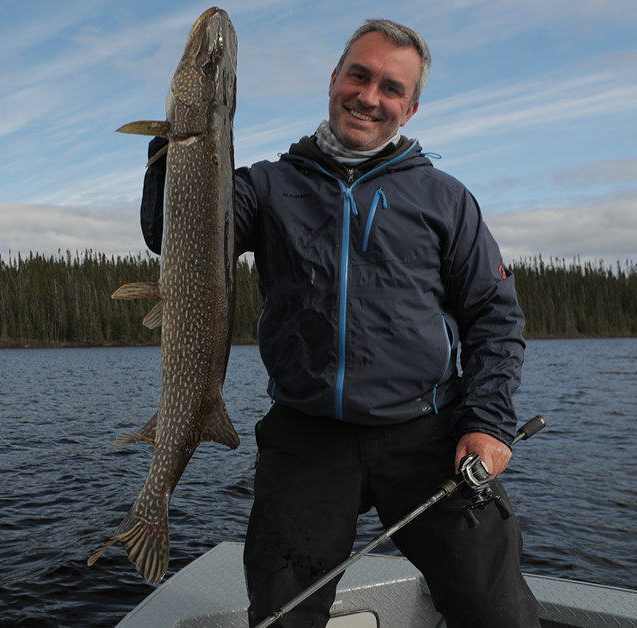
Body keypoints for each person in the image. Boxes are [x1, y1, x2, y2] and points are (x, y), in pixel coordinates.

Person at [138, 19, 540, 628]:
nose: (369, 96)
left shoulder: (445, 199)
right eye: (359, 74)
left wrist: (488, 423)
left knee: (496, 612)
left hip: (427, 436)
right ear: (334, 79)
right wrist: (173, 154)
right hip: (307, 440)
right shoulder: (267, 186)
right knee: (284, 616)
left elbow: (494, 317)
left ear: (410, 106)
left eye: (390, 87)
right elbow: (173, 238)